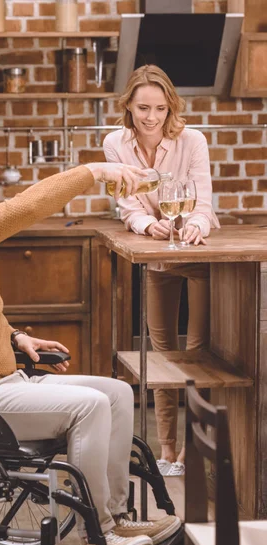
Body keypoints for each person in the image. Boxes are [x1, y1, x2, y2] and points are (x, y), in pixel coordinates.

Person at [0, 144, 180, 545]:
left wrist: (17, 338)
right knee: (90, 407)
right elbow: (24, 207)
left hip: (2, 380)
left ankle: (119, 519)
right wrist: (92, 171)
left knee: (116, 393)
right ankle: (99, 535)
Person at [103, 65, 220, 477]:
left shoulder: (192, 140)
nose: (151, 117)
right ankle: (167, 447)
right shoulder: (115, 143)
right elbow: (127, 204)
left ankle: (195, 444)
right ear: (129, 107)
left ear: (171, 106)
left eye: (159, 108)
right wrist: (143, 223)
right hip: (156, 249)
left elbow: (203, 202)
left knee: (199, 352)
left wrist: (196, 224)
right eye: (142, 108)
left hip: (195, 249)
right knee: (163, 352)